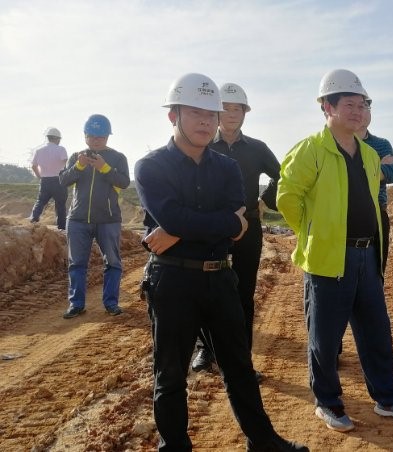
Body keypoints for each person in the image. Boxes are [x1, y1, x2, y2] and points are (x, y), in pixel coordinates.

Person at [134, 73, 306, 451]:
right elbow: (215, 220)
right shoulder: (151, 167)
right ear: (173, 116)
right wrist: (217, 222)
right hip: (173, 281)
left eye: (210, 114)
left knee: (240, 368)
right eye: (195, 113)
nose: (205, 121)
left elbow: (236, 227)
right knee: (170, 375)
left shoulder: (227, 168)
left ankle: (263, 442)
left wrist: (180, 228)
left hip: (220, 278)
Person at [277, 68, 393, 432]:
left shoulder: (369, 154)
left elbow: (371, 199)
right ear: (328, 107)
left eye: (362, 105)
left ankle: (388, 398)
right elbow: (287, 197)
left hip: (366, 255)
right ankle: (327, 402)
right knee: (325, 338)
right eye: (349, 105)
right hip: (329, 257)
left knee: (376, 331)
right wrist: (312, 233)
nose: (358, 112)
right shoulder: (310, 149)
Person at [190, 82, 282, 380]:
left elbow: (283, 175)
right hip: (210, 228)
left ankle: (242, 360)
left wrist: (265, 200)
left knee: (243, 293)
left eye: (237, 109)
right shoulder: (203, 145)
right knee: (205, 289)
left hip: (248, 228)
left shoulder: (257, 148)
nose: (231, 114)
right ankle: (206, 350)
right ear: (216, 112)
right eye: (226, 108)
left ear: (245, 113)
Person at [59, 114, 129, 319]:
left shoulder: (118, 158)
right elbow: (63, 180)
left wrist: (104, 168)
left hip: (108, 219)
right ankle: (76, 304)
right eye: (92, 135)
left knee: (113, 263)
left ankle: (111, 303)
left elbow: (124, 182)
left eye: (100, 136)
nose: (96, 140)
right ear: (85, 136)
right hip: (78, 219)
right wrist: (79, 166)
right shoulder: (76, 157)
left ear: (107, 136)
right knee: (76, 264)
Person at [356, 100, 393, 273]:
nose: (362, 111)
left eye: (366, 107)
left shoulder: (382, 144)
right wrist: (378, 168)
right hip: (346, 214)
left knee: (376, 271)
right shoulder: (340, 143)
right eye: (357, 106)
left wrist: (360, 171)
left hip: (377, 214)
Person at [30, 127, 69, 230]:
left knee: (40, 202)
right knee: (60, 205)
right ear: (57, 138)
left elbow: (33, 166)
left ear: (48, 137)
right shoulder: (61, 149)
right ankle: (61, 228)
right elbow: (66, 163)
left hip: (45, 180)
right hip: (59, 181)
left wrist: (40, 177)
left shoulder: (39, 151)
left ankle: (33, 221)